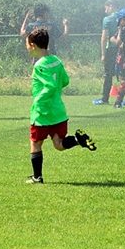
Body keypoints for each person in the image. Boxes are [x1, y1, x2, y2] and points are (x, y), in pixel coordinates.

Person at [25, 27, 96, 184]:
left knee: (35, 143)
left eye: (27, 44)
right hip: (58, 112)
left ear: (33, 45)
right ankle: (77, 140)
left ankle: (37, 177)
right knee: (58, 144)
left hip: (42, 112)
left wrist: (38, 100)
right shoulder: (56, 60)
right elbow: (65, 81)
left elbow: (49, 86)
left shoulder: (39, 65)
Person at [93, 0, 121, 106]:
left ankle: (105, 98)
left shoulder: (107, 19)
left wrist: (103, 54)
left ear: (112, 6)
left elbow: (104, 38)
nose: (105, 10)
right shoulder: (123, 17)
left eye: (106, 7)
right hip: (123, 49)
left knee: (108, 74)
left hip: (111, 50)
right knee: (124, 74)